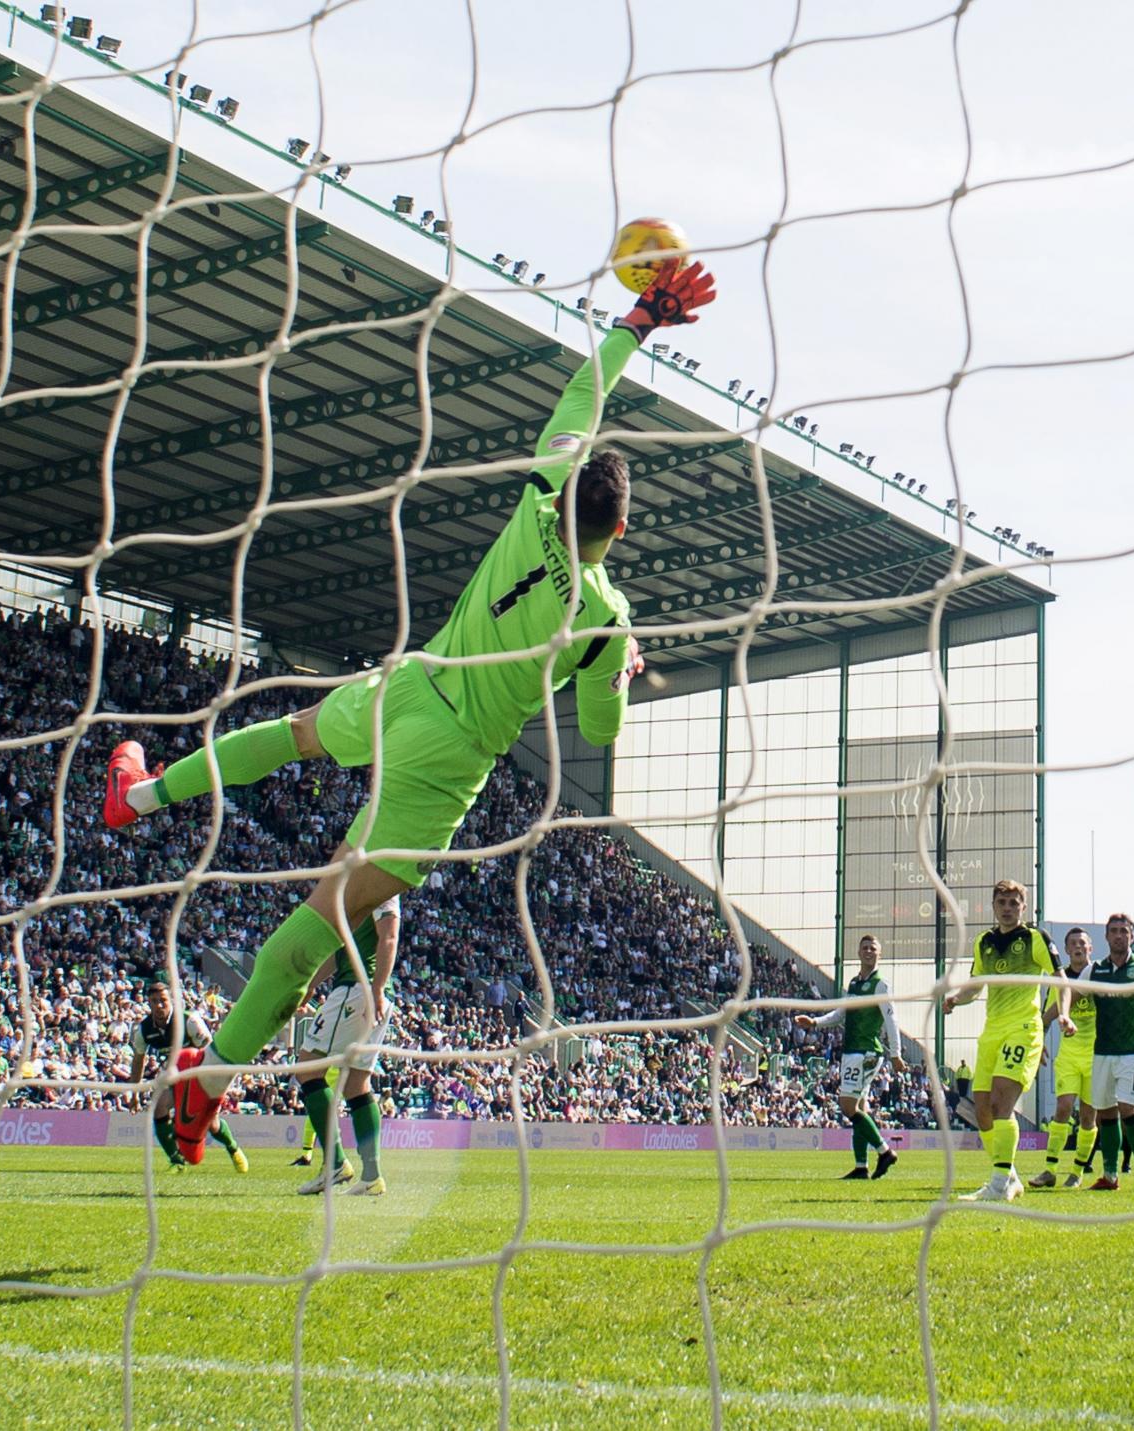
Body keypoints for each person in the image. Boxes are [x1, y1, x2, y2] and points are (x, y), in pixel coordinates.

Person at [98, 259, 719, 1161]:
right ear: (620, 529)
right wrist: (619, 670)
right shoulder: (605, 618)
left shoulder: (543, 495)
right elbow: (598, 731)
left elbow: (581, 396)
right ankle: (206, 1086)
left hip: (410, 687)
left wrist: (639, 321)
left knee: (292, 733)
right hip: (451, 757)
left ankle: (144, 796)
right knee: (322, 922)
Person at [942, 878, 1053, 1202]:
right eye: (1002, 903)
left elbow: (1060, 979)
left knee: (1003, 1104)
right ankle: (1010, 1176)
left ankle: (998, 1183)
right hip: (991, 1032)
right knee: (983, 1111)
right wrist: (955, 999)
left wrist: (1061, 1016)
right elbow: (976, 984)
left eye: (1014, 903)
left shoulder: (1035, 939)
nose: (1007, 909)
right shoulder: (984, 942)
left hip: (1022, 1028)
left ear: (1023, 907)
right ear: (993, 906)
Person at [294, 894, 400, 1197]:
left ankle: (335, 1163)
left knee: (308, 1067)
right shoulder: (359, 891)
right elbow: (338, 950)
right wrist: (312, 983)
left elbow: (389, 937)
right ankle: (371, 1176)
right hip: (365, 991)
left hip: (358, 988)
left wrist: (376, 988)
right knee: (356, 1084)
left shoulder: (383, 889)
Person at [794, 934, 906, 1180]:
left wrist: (896, 1054)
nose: (868, 951)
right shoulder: (854, 984)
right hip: (852, 1050)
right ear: (858, 952)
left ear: (879, 954)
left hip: (866, 1051)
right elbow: (839, 1014)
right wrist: (814, 1022)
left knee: (847, 1106)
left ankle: (885, 1151)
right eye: (864, 947)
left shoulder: (880, 985)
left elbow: (891, 1019)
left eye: (873, 948)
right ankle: (861, 1166)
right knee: (859, 1108)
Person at [125, 974, 246, 1173]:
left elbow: (212, 1053)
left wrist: (216, 1085)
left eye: (163, 1001)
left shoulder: (189, 1021)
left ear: (170, 1000)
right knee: (159, 1108)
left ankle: (233, 1148)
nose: (159, 1006)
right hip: (176, 1077)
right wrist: (135, 1093)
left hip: (201, 1077)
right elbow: (139, 1060)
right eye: (154, 1002)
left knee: (211, 1125)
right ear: (149, 1003)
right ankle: (177, 1161)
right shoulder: (144, 1030)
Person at [1082, 913, 1134, 1194]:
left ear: (1132, 936)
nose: (1119, 935)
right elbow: (1071, 993)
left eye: (1124, 931)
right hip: (1102, 1051)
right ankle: (1109, 1175)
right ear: (1106, 936)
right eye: (1114, 931)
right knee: (1105, 1114)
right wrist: (1049, 1020)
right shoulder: (1096, 970)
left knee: (1128, 1109)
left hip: (1133, 1051)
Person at [1031, 925, 1098, 1189]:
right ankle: (1049, 1169)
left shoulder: (1101, 976)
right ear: (1067, 949)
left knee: (1088, 1117)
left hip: (1096, 1056)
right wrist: (1037, 1044)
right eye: (1073, 944)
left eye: (1083, 943)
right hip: (1068, 1055)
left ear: (1090, 948)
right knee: (1063, 1108)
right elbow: (1046, 1017)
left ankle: (1077, 1172)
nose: (1078, 947)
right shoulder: (1060, 981)